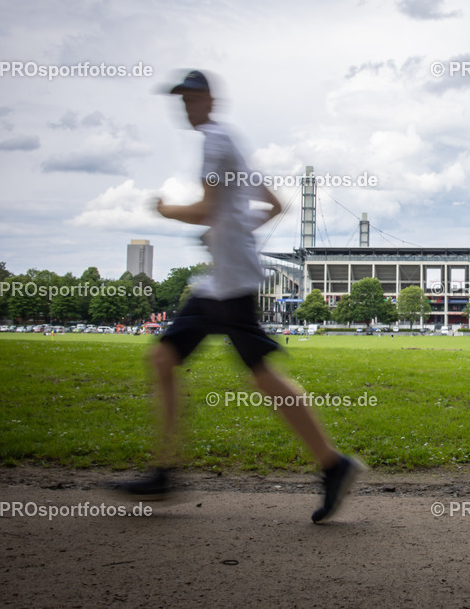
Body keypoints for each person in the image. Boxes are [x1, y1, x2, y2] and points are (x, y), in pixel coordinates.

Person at [115, 70, 363, 523]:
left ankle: (332, 463)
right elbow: (272, 202)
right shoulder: (230, 143)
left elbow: (211, 206)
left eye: (191, 99)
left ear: (210, 99)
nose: (185, 107)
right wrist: (233, 230)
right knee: (170, 359)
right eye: (181, 101)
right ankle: (167, 470)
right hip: (225, 279)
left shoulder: (213, 140)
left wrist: (167, 209)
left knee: (255, 374)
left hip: (228, 282)